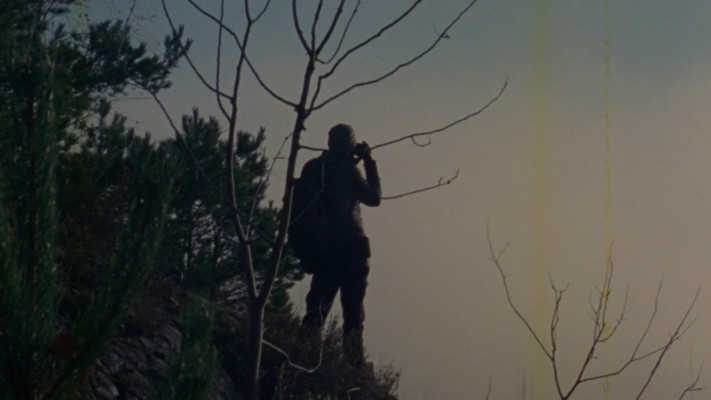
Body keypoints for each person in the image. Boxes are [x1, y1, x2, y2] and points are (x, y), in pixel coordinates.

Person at [298, 123, 381, 367]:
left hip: (324, 249)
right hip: (352, 248)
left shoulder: (312, 167)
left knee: (316, 308)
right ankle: (354, 366)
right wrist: (368, 161)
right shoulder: (348, 170)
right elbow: (374, 197)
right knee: (353, 312)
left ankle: (305, 355)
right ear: (350, 144)